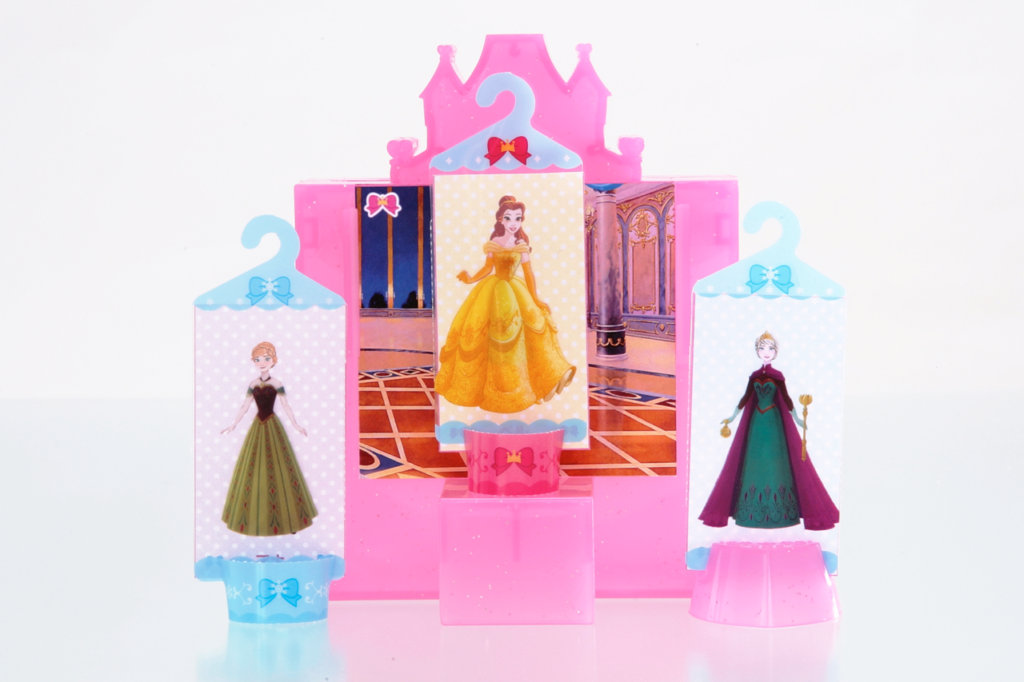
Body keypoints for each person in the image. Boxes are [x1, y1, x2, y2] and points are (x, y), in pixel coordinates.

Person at [436, 195, 575, 414]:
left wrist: (535, 299)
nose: (513, 223)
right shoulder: (494, 243)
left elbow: (528, 273)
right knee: (483, 334)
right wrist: (470, 279)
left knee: (530, 332)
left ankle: (535, 385)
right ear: (501, 219)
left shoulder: (521, 246)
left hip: (516, 291)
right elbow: (487, 268)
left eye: (518, 218)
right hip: (493, 291)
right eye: (509, 218)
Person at [699, 332, 840, 530]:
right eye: (762, 348)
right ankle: (750, 512)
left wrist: (798, 419)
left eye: (770, 348)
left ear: (776, 352)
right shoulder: (754, 376)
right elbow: (745, 398)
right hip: (757, 423)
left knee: (775, 462)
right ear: (757, 351)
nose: (766, 352)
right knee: (754, 462)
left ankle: (780, 512)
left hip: (773, 424)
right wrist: (731, 417)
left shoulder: (777, 376)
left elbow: (787, 398)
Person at [220, 342, 318, 536]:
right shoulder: (252, 384)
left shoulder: (277, 383)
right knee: (253, 467)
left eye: (266, 358)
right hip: (258, 426)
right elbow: (245, 406)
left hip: (272, 426)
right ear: (253, 361)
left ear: (274, 360)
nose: (262, 362)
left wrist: (296, 425)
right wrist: (233, 425)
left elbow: (286, 405)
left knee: (281, 467)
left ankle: (288, 520)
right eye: (257, 359)